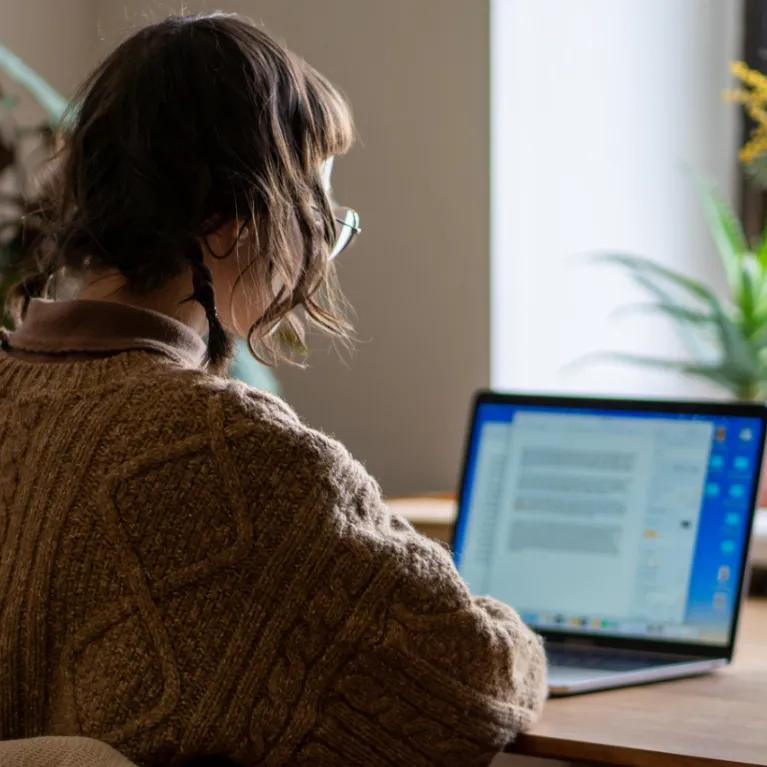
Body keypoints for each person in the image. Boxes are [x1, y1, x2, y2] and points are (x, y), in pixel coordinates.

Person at [0, 13, 546, 767]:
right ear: (227, 220)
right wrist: (519, 634)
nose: (318, 252)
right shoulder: (234, 453)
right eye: (317, 217)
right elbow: (470, 674)